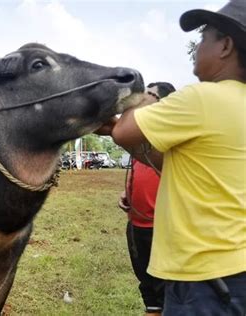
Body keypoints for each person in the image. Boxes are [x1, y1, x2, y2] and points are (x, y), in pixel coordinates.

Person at [98, 1, 246, 314]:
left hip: (204, 278)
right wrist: (124, 133)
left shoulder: (202, 98)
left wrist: (144, 96)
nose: (197, 47)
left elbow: (124, 131)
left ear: (226, 45)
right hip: (235, 272)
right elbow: (171, 164)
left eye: (204, 37)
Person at [117, 82, 175, 316]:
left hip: (162, 227)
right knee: (147, 285)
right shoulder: (139, 139)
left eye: (151, 94)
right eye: (144, 93)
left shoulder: (170, 138)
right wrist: (128, 193)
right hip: (137, 225)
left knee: (166, 288)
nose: (144, 98)